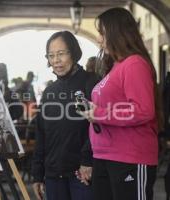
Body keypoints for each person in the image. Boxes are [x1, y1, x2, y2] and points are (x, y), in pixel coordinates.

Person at [77, 7, 164, 200]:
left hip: (129, 157)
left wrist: (98, 113)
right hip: (105, 156)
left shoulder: (134, 64)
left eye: (102, 33)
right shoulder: (116, 66)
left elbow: (142, 110)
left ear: (117, 32)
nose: (99, 39)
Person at [31, 31, 97, 200]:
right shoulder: (49, 92)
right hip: (53, 176)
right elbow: (41, 134)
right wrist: (38, 174)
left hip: (82, 173)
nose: (56, 61)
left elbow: (99, 127)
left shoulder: (92, 83)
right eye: (51, 56)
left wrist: (87, 161)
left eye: (61, 54)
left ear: (74, 53)